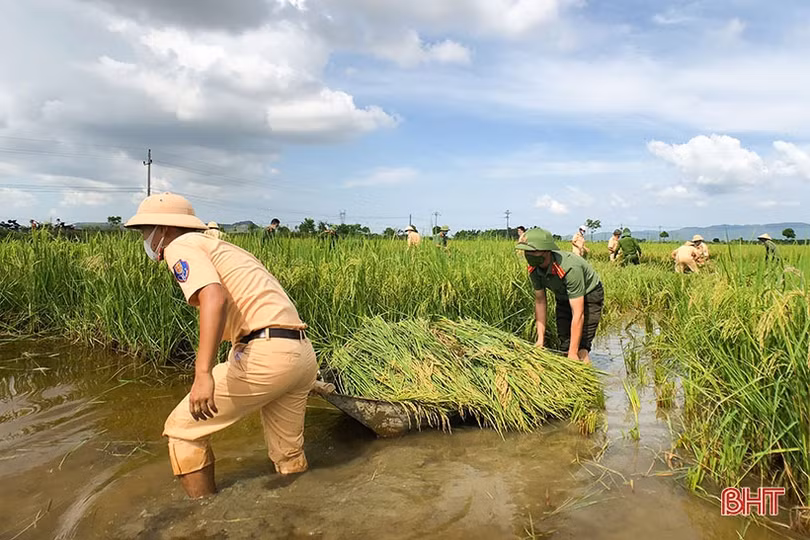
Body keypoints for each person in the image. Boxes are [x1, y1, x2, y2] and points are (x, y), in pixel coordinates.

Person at [124, 193, 317, 498]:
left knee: (182, 431)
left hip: (266, 355)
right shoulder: (224, 248)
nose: (145, 239)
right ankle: (296, 513)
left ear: (165, 229)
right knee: (288, 455)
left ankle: (202, 520)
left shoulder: (180, 246)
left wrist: (204, 374)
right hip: (300, 353)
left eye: (146, 231)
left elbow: (214, 298)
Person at [516, 228, 604, 364]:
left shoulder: (569, 268)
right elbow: (540, 302)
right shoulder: (534, 268)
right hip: (563, 295)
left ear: (546, 250)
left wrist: (573, 353)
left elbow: (578, 313)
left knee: (580, 347)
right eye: (527, 251)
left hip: (589, 295)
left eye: (533, 251)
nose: (529, 255)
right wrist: (540, 340)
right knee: (565, 345)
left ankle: (585, 379)